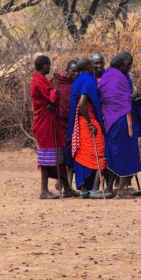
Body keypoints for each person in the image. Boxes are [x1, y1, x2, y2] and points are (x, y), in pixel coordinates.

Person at [30, 55, 76, 199]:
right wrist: (55, 84)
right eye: (49, 65)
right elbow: (54, 98)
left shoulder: (41, 79)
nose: (50, 67)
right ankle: (44, 191)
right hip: (44, 123)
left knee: (58, 155)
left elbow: (53, 100)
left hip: (50, 122)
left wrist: (53, 99)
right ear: (45, 66)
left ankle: (67, 187)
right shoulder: (39, 81)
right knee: (46, 157)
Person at [98, 54, 141, 197]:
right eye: (127, 65)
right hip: (124, 119)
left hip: (109, 121)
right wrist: (135, 94)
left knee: (113, 152)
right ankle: (121, 191)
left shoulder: (104, 78)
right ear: (121, 66)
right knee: (127, 153)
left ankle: (110, 188)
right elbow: (126, 100)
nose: (129, 68)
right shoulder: (121, 78)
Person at [68, 58, 109, 197]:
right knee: (101, 154)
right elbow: (81, 104)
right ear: (88, 66)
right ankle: (95, 189)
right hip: (88, 122)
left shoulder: (77, 80)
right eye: (92, 64)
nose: (95, 66)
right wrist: (91, 123)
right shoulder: (87, 81)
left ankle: (84, 190)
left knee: (82, 156)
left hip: (79, 123)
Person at [53, 60, 79, 191]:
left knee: (72, 155)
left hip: (73, 124)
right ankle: (62, 182)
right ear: (67, 71)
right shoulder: (58, 82)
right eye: (73, 71)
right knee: (62, 155)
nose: (76, 73)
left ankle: (67, 184)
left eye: (77, 71)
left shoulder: (77, 83)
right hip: (60, 124)